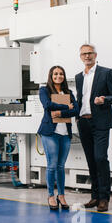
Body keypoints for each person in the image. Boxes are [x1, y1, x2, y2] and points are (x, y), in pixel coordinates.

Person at [75, 44, 112, 212]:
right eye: (83, 54)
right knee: (91, 160)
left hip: (100, 122)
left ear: (95, 55)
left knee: (100, 158)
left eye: (89, 53)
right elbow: (81, 99)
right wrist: (77, 118)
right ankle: (94, 197)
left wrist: (104, 99)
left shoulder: (106, 72)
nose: (87, 56)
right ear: (80, 57)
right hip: (84, 123)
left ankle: (104, 198)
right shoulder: (79, 77)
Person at [38, 66, 79, 210]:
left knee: (61, 166)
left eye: (61, 73)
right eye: (55, 74)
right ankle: (50, 195)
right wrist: (66, 106)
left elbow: (76, 110)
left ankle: (61, 195)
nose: (58, 76)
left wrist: (61, 112)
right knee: (52, 165)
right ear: (51, 75)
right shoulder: (44, 90)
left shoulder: (69, 92)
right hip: (50, 132)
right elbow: (47, 105)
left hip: (65, 134)